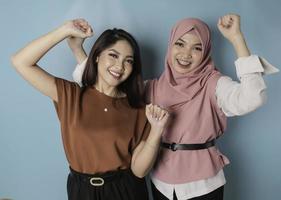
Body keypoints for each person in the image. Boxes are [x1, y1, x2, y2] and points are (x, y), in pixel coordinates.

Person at [70, 14, 279, 200]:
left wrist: (236, 38)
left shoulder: (214, 84)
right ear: (170, 46)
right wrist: (78, 50)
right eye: (180, 44)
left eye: (197, 48)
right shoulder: (152, 88)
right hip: (160, 180)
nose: (186, 54)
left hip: (203, 184)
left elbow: (254, 97)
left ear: (205, 52)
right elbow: (106, 89)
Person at [11, 19, 169, 200]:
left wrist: (156, 131)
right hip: (81, 191)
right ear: (97, 56)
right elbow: (20, 62)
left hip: (125, 190)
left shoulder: (138, 109)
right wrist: (64, 31)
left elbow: (139, 171)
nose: (120, 66)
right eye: (113, 55)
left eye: (128, 61)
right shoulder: (71, 95)